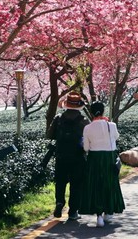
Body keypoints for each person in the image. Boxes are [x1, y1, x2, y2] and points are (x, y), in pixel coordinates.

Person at [82, 101, 125, 228]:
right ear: (103, 111)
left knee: (96, 185)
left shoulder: (87, 128)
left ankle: (99, 216)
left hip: (94, 158)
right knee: (109, 183)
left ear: (91, 112)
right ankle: (108, 212)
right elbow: (116, 137)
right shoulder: (111, 125)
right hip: (109, 158)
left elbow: (85, 148)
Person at [49, 92, 89, 221]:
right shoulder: (83, 120)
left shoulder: (58, 118)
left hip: (61, 155)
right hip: (78, 156)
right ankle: (73, 211)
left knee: (60, 181)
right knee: (76, 184)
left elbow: (49, 135)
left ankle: (59, 202)